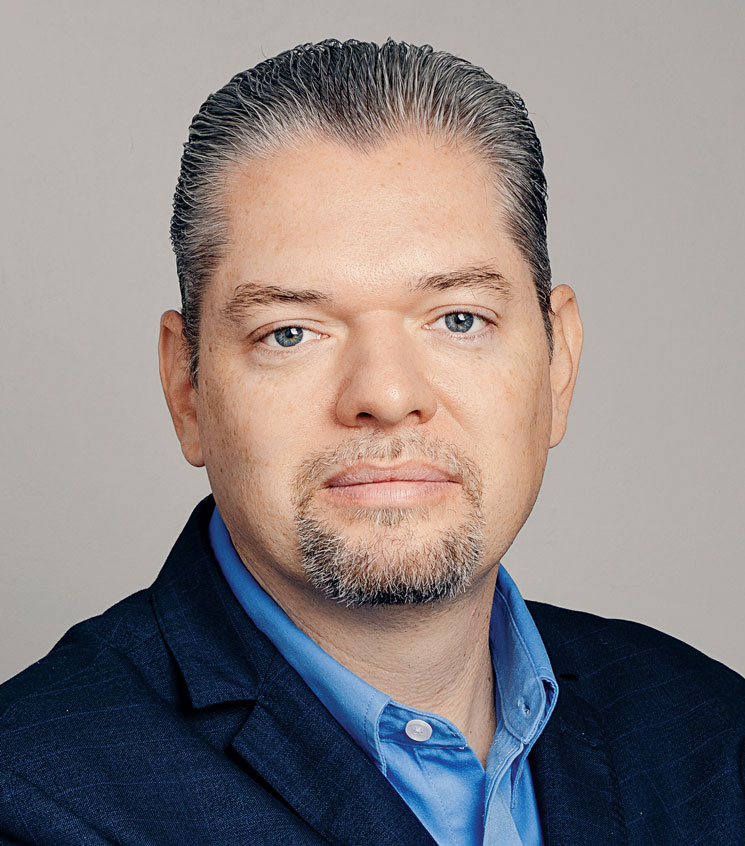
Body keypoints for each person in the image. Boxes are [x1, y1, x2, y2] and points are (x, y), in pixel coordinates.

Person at [0, 38, 743, 846]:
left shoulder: (708, 732)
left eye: (458, 319)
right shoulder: (34, 799)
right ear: (187, 388)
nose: (386, 397)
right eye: (289, 332)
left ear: (556, 365)